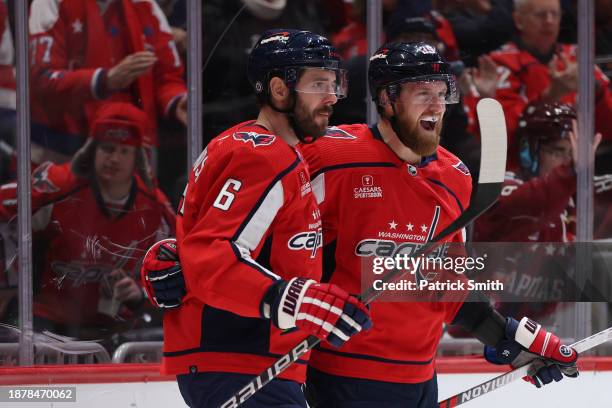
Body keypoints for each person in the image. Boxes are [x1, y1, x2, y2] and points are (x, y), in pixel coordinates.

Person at [144, 41, 579, 406]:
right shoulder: (326, 155)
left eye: (441, 91)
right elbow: (238, 222)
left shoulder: (456, 176)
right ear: (387, 99)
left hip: (420, 381)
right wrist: (178, 257)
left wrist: (508, 334)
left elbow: (441, 286)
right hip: (337, 374)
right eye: (420, 92)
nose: (436, 103)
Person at [146, 29, 371, 408]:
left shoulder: (256, 146)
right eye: (319, 83)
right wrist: (298, 300)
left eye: (334, 84)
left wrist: (170, 254)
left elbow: (199, 242)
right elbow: (213, 253)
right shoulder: (264, 156)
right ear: (280, 89)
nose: (332, 97)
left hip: (248, 363)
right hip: (242, 361)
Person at [0, 102, 175, 344]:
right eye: (107, 148)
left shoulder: (156, 208)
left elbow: (175, 266)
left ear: (139, 158)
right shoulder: (57, 185)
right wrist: (9, 284)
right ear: (92, 149)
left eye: (124, 151)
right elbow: (4, 211)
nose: (114, 159)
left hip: (110, 327)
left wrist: (139, 292)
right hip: (43, 319)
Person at [28, 0, 188, 162]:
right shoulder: (50, 3)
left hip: (131, 149)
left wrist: (176, 100)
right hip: (60, 152)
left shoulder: (144, 4)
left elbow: (167, 75)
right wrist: (105, 80)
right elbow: (42, 79)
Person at [480, 0, 612, 170]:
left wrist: (594, 88)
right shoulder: (499, 64)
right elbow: (511, 140)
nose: (549, 21)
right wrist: (552, 96)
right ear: (519, 20)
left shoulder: (577, 56)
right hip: (529, 171)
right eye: (540, 15)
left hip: (587, 162)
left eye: (554, 15)